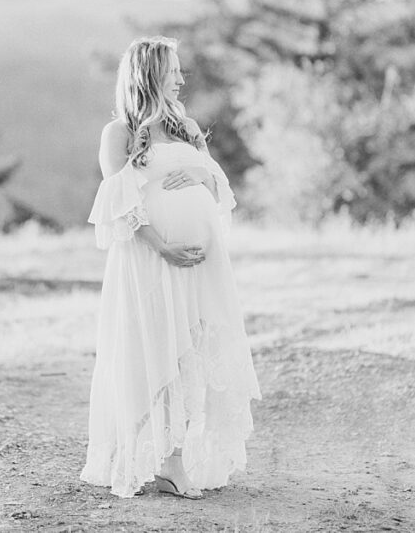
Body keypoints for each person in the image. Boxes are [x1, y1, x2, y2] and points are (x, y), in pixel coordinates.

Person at [80, 36, 261, 499]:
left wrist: (201, 174)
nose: (181, 78)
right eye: (173, 70)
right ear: (149, 74)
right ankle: (158, 459)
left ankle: (174, 460)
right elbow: (118, 203)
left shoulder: (187, 127)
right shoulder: (119, 131)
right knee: (155, 354)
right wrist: (162, 246)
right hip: (150, 262)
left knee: (191, 354)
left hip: (201, 265)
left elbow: (220, 188)